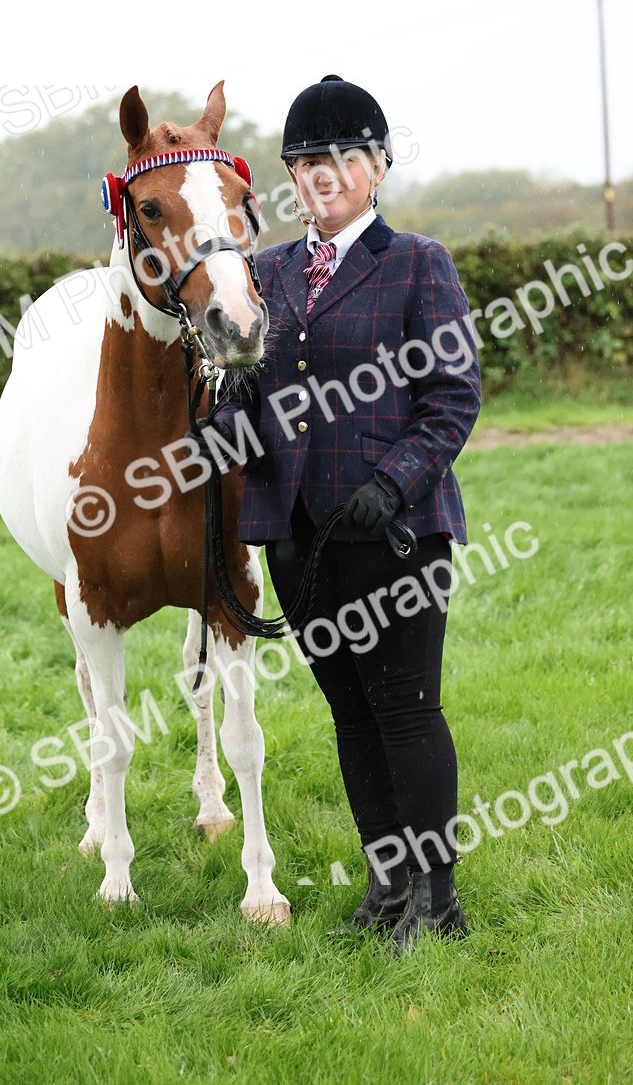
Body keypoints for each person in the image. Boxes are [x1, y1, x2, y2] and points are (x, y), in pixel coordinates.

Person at [204, 74, 482, 952]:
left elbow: (451, 396)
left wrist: (395, 481)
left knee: (406, 711)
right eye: (305, 160)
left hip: (395, 531)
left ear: (377, 167)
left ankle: (438, 898)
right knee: (351, 715)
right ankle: (387, 880)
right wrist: (223, 424)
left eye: (340, 157)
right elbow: (246, 390)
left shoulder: (416, 264)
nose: (321, 173)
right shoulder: (270, 272)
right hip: (300, 540)